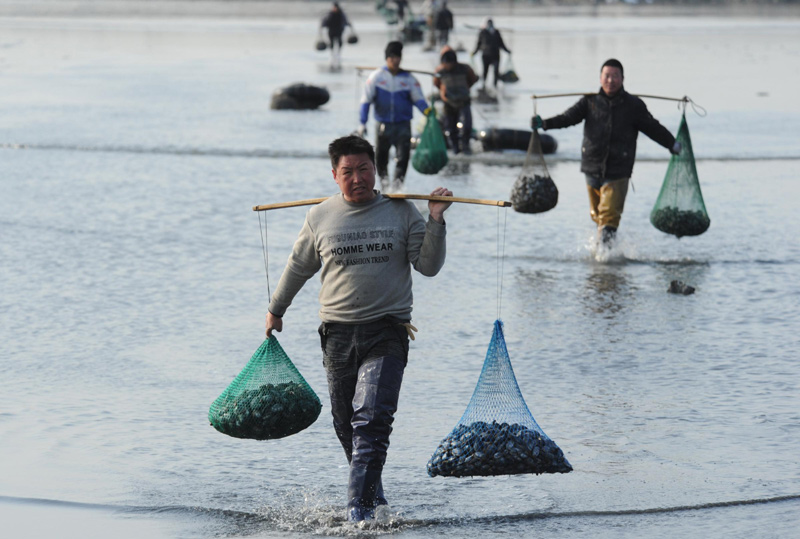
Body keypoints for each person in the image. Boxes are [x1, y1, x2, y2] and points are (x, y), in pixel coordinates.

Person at [265, 135, 453, 522]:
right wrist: (276, 309)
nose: (357, 178)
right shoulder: (320, 216)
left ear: (375, 170)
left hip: (387, 331)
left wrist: (435, 218)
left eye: (364, 169)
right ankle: (375, 499)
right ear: (335, 175)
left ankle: (357, 513)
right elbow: (299, 266)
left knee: (371, 420)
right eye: (347, 172)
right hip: (336, 335)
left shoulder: (401, 212)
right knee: (345, 425)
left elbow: (428, 265)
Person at [531, 59, 682, 244]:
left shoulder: (633, 105)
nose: (611, 80)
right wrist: (544, 123)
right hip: (591, 168)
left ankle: (605, 259)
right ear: (600, 78)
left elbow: (653, 128)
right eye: (607, 76)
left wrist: (671, 144)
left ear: (623, 79)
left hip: (619, 170)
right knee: (597, 216)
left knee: (609, 216)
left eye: (615, 76)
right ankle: (605, 256)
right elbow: (567, 118)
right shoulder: (590, 102)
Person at [358, 41, 431, 190]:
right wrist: (362, 123)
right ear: (387, 59)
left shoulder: (409, 79)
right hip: (383, 125)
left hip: (403, 126)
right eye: (392, 58)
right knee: (380, 158)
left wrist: (428, 113)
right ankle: (384, 187)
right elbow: (366, 101)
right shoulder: (376, 77)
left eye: (398, 57)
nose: (395, 61)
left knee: (403, 158)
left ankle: (397, 188)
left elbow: (419, 100)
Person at [433, 49, 479, 154]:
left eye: (449, 63)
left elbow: (472, 79)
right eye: (445, 63)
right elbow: (436, 83)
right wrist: (443, 92)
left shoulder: (465, 69)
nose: (447, 66)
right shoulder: (440, 72)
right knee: (450, 128)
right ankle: (455, 149)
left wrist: (465, 89)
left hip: (464, 101)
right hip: (449, 103)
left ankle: (465, 147)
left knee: (466, 126)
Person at [471, 18, 510, 90]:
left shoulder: (496, 32)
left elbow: (501, 43)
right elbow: (478, 44)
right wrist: (474, 52)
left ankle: (495, 85)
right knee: (485, 71)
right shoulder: (483, 32)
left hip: (495, 55)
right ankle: (484, 84)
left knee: (496, 71)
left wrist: (507, 50)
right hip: (486, 56)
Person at [320, 2, 352, 69]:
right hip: (331, 31)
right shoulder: (330, 14)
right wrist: (322, 25)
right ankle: (332, 54)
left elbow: (345, 21)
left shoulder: (341, 14)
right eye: (334, 7)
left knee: (339, 42)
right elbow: (325, 21)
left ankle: (338, 54)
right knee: (331, 42)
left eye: (336, 7)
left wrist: (349, 25)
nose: (335, 9)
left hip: (339, 31)